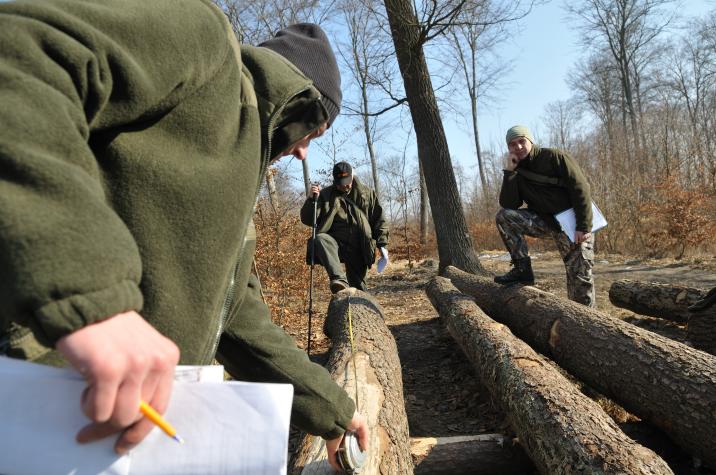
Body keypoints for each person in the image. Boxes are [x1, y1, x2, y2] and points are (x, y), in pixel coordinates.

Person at [0, 1, 367, 470]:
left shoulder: (240, 174)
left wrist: (334, 412)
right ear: (304, 104)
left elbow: (239, 321)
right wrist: (90, 297)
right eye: (313, 135)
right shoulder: (206, 44)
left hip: (118, 440)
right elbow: (19, 54)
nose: (301, 154)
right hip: (37, 409)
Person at [494, 125, 596, 307]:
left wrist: (584, 226)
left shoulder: (554, 157)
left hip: (573, 224)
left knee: (579, 281)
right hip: (546, 222)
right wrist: (509, 172)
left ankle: (588, 325)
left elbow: (581, 188)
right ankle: (522, 270)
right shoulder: (516, 171)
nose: (518, 147)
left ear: (530, 141)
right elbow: (509, 205)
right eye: (512, 144)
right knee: (504, 216)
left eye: (521, 141)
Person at [300, 161, 389, 293]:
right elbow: (308, 220)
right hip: (335, 245)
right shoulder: (325, 195)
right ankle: (339, 280)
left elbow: (379, 219)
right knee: (320, 238)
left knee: (359, 289)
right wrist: (312, 200)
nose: (345, 185)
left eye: (348, 181)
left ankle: (361, 308)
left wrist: (382, 245)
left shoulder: (367, 194)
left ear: (352, 176)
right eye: (341, 183)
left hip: (360, 246)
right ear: (335, 180)